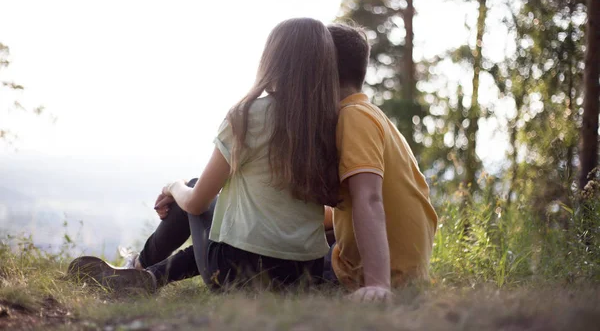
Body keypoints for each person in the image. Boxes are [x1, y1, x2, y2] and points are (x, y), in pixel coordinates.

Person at [68, 17, 341, 292]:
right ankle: (146, 274)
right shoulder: (334, 123)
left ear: (273, 59)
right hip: (305, 274)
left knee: (197, 189)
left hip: (236, 274)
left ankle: (138, 267)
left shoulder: (247, 115)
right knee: (220, 217)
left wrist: (175, 187)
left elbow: (197, 204)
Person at [324, 24, 438, 302]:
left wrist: (378, 285)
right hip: (405, 270)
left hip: (380, 275)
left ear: (322, 71)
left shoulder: (353, 118)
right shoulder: (370, 113)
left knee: (271, 253)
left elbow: (369, 198)